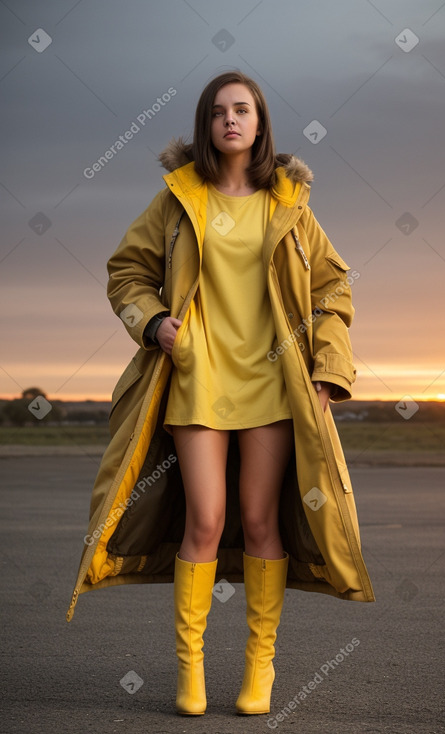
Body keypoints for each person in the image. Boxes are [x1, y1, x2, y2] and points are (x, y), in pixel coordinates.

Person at [66, 70, 375, 717]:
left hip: (271, 383)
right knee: (205, 521)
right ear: (207, 125)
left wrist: (328, 367)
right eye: (218, 112)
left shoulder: (289, 204)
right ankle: (191, 670)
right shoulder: (179, 200)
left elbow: (333, 290)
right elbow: (126, 272)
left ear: (260, 125)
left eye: (243, 110)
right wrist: (152, 323)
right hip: (198, 380)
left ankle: (259, 670)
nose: (231, 120)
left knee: (260, 520)